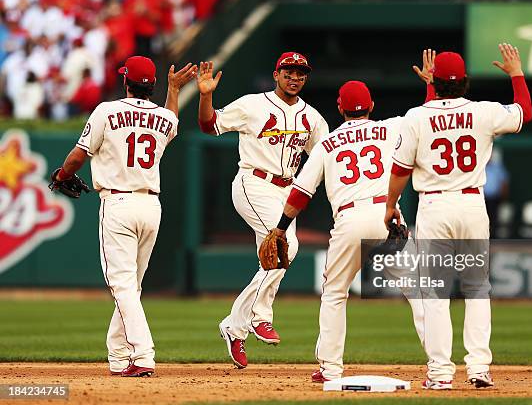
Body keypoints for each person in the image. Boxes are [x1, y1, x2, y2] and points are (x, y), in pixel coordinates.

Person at [386, 44, 532, 390]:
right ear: (465, 81)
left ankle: (440, 373)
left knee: (435, 293)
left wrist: (390, 204)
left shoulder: (416, 116)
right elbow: (524, 112)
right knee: (477, 288)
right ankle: (479, 368)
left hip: (435, 206)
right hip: (472, 205)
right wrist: (516, 73)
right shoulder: (483, 111)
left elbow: (401, 166)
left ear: (435, 82)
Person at [262, 80, 425, 382]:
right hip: (388, 215)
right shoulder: (392, 127)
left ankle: (330, 368)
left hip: (350, 219)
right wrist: (430, 87)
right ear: (372, 106)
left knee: (335, 293)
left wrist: (281, 229)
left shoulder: (327, 143)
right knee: (418, 291)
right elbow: (427, 117)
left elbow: (300, 193)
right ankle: (440, 365)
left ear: (340, 108)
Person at [51, 56, 196, 377]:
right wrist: (174, 90)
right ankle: (118, 356)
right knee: (132, 286)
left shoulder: (107, 110)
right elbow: (171, 119)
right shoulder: (164, 117)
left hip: (118, 204)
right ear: (153, 86)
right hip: (151, 206)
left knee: (122, 285)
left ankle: (143, 355)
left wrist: (61, 176)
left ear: (126, 81)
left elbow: (78, 155)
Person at [197, 52, 329, 368]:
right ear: (276, 74)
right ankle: (257, 317)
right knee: (286, 246)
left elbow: (327, 156)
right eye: (289, 71)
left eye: (300, 72)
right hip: (253, 182)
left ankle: (236, 326)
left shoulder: (313, 118)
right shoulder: (252, 105)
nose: (294, 77)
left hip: (287, 191)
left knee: (274, 260)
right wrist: (206, 96)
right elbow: (208, 125)